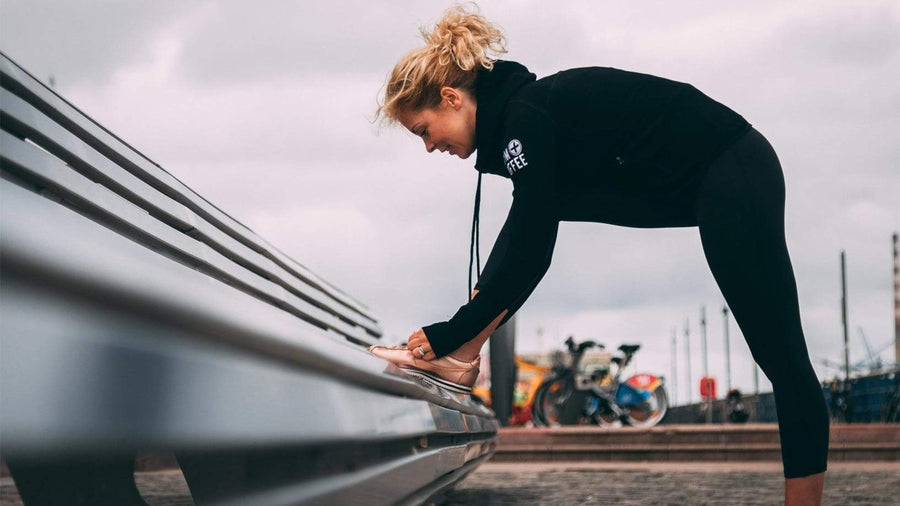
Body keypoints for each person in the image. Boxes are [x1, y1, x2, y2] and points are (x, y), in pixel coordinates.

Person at [367, 5, 828, 504]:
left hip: (733, 169)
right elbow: (524, 237)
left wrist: (448, 331)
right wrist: (461, 335)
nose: (429, 146)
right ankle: (462, 355)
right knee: (529, 221)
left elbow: (531, 245)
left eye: (423, 130)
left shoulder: (527, 117)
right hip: (704, 182)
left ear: (451, 98)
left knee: (782, 358)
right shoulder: (526, 121)